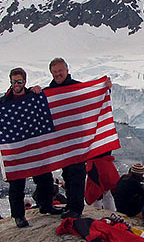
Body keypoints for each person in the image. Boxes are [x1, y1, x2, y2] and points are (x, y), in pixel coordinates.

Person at [31, 57, 113, 219]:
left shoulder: (78, 88)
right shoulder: (48, 92)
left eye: (60, 71)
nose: (58, 74)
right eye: (55, 72)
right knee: (67, 174)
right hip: (60, 142)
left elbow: (94, 98)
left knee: (77, 172)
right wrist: (33, 93)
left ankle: (76, 208)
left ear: (67, 70)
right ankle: (70, 205)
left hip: (77, 140)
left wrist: (105, 88)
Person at [0, 67, 53, 227]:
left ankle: (46, 205)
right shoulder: (2, 103)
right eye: (14, 81)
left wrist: (39, 92)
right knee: (16, 185)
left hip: (35, 147)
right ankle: (18, 216)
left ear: (24, 82)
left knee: (45, 179)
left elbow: (45, 109)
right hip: (16, 150)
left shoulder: (32, 96)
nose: (16, 84)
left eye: (19, 81)